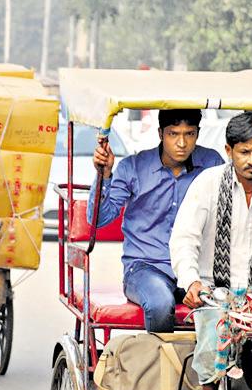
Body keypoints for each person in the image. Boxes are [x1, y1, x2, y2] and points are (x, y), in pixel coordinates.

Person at [170, 111, 252, 390]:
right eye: (244, 152)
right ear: (229, 150)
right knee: (213, 326)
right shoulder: (208, 183)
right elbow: (184, 239)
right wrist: (191, 281)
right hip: (216, 289)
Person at [90, 109, 224, 332]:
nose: (182, 143)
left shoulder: (212, 164)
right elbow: (99, 219)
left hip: (196, 269)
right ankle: (162, 364)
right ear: (161, 133)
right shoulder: (132, 167)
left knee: (227, 307)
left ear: (198, 134)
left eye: (189, 134)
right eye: (174, 134)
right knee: (160, 304)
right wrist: (104, 176)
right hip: (146, 268)